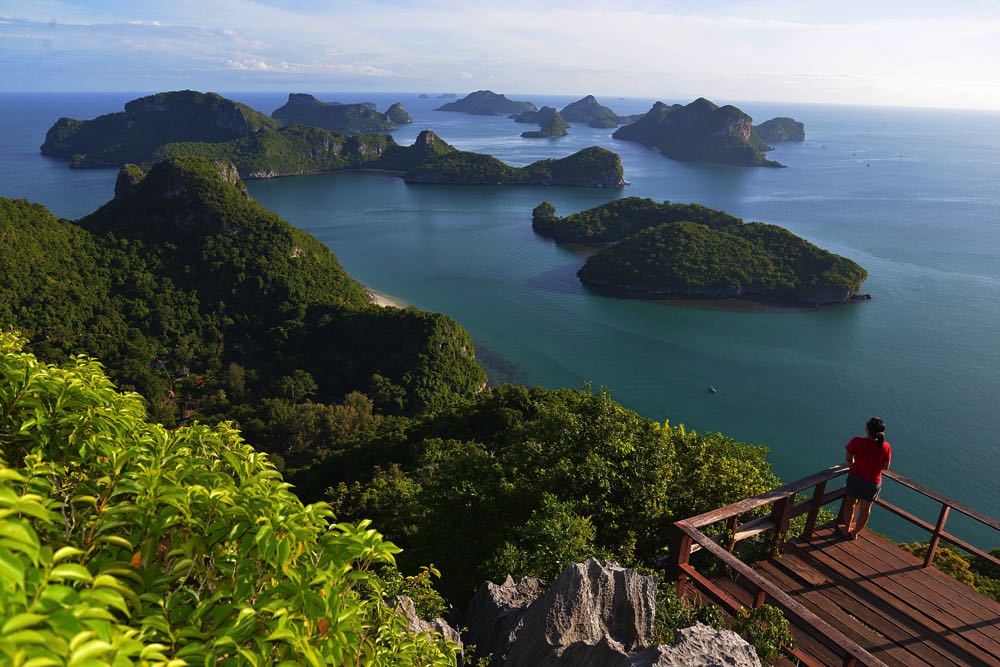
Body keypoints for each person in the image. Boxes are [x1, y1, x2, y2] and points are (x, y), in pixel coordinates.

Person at [838, 417, 892, 540]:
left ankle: (846, 530)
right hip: (873, 482)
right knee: (865, 509)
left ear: (867, 429)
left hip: (855, 478)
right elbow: (885, 467)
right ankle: (855, 533)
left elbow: (848, 458)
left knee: (850, 504)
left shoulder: (856, 441)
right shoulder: (886, 446)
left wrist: (855, 462)